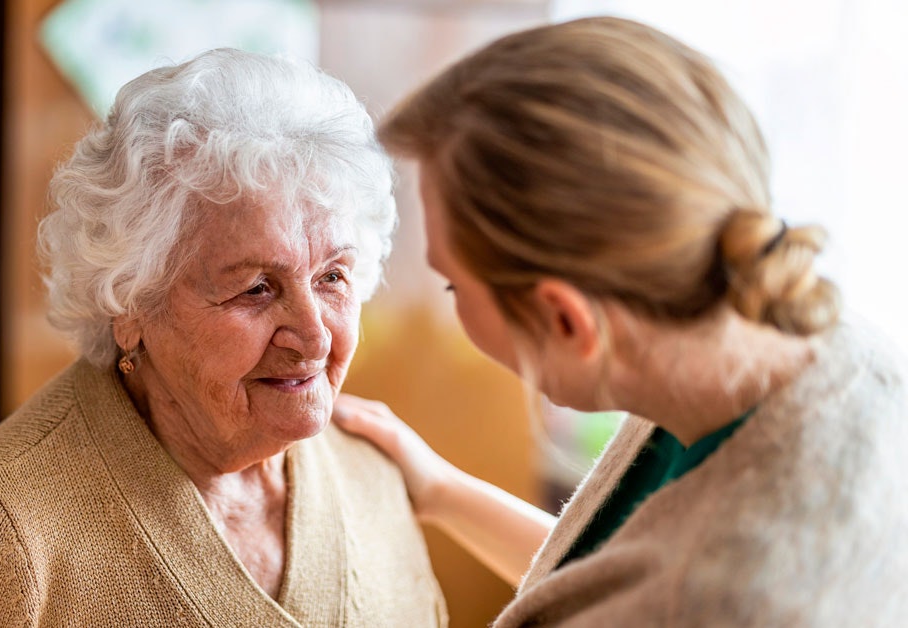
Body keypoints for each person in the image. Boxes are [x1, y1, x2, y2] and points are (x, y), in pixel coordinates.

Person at [333, 16, 908, 627]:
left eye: (452, 283)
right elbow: (614, 578)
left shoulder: (740, 598)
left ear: (566, 319)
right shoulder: (816, 354)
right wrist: (442, 491)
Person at [0, 48, 447, 627]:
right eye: (255, 289)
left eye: (332, 278)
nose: (314, 338)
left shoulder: (373, 473)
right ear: (129, 303)